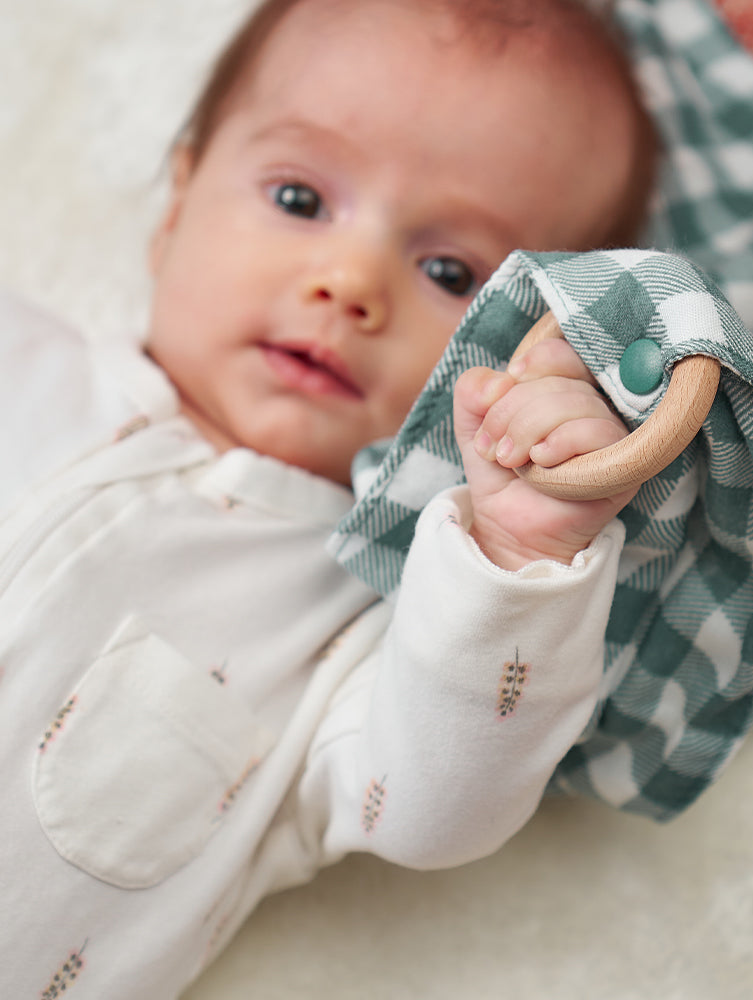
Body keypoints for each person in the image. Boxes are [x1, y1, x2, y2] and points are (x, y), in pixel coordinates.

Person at [0, 0, 658, 996]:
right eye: (300, 199)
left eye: (450, 270)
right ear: (176, 207)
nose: (351, 282)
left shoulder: (366, 634)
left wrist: (519, 557)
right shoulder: (23, 358)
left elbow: (437, 809)